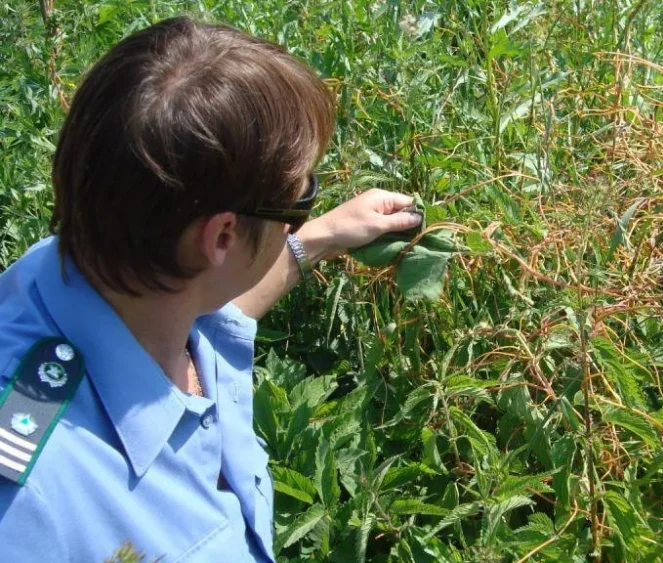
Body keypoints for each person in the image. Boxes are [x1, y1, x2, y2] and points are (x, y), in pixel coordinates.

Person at [0, 16, 423, 562]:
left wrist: (317, 238)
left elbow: (209, 306)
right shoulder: (28, 502)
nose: (300, 217)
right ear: (221, 236)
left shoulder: (104, 267)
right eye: (301, 199)